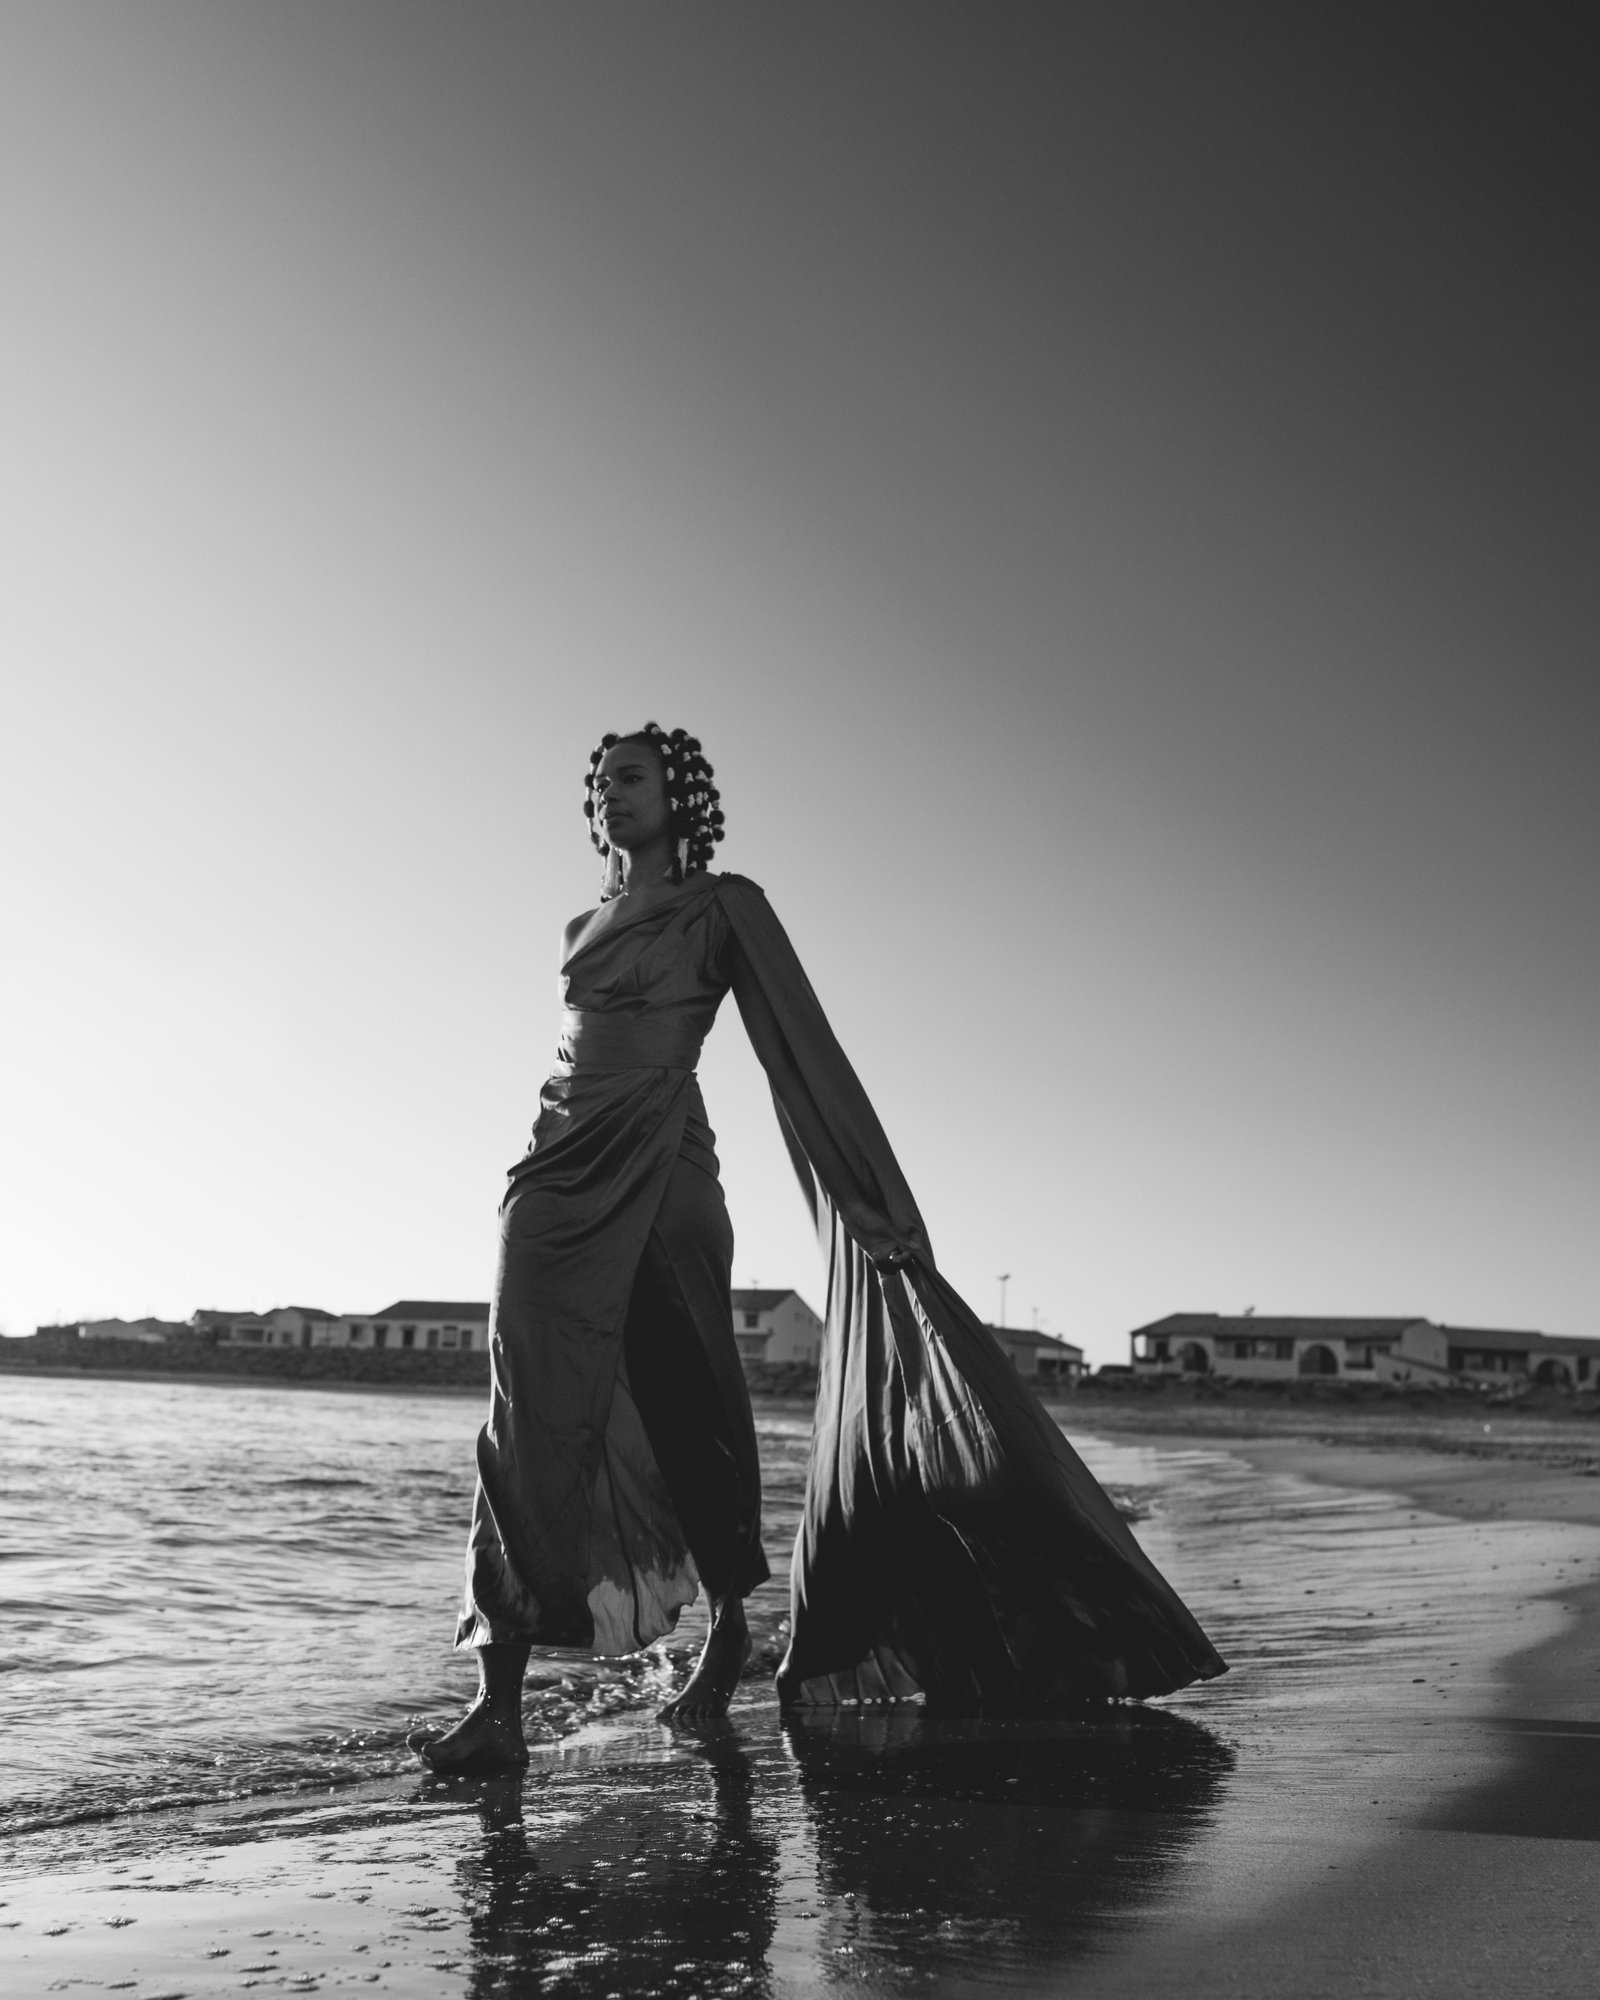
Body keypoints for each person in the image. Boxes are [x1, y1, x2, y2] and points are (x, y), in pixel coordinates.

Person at [416, 724, 1224, 1773]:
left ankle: (729, 1625)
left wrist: (868, 1204)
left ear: (679, 795)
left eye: (632, 778)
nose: (610, 794)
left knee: (688, 1400)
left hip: (666, 1174)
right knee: (522, 1419)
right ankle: (499, 1700)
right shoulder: (579, 921)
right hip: (551, 1179)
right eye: (599, 782)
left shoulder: (724, 906)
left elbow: (799, 1048)